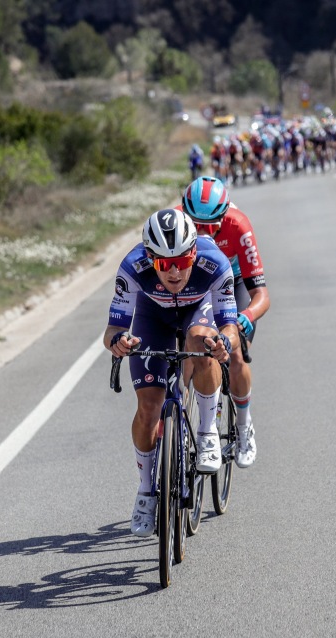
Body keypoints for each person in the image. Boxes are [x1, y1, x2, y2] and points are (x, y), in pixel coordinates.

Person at [105, 208, 240, 537]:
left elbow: (230, 326)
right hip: (153, 319)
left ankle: (207, 432)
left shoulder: (215, 263)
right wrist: (119, 342)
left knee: (202, 341)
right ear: (151, 258)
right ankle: (146, 491)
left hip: (198, 313)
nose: (176, 271)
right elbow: (112, 330)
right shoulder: (132, 267)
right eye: (165, 264)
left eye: (183, 259)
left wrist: (223, 342)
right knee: (149, 408)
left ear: (195, 251)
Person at [176, 176, 270, 470]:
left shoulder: (238, 225)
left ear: (223, 215)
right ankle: (182, 425)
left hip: (234, 283)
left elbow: (261, 294)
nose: (203, 232)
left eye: (210, 227)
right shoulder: (175, 223)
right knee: (187, 354)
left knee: (236, 354)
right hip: (196, 285)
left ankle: (244, 427)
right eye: (195, 225)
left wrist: (246, 317)